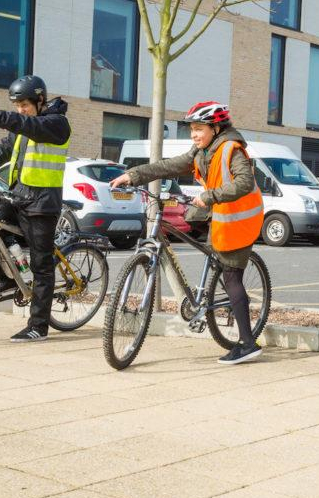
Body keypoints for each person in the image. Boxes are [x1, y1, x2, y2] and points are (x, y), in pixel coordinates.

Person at [109, 101, 265, 365]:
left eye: (199, 129)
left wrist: (210, 196)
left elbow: (244, 182)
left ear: (216, 128)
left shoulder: (232, 149)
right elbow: (169, 166)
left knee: (232, 277)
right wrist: (133, 175)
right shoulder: (201, 151)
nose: (194, 134)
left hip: (240, 218)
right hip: (219, 213)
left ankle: (248, 344)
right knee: (195, 231)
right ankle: (202, 293)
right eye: (192, 129)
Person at [0, 75, 71, 343]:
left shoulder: (56, 124)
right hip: (18, 195)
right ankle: (8, 278)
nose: (20, 110)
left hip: (42, 203)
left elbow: (25, 124)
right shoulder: (24, 126)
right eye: (16, 106)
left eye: (24, 105)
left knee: (41, 265)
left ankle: (38, 327)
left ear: (40, 101)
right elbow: (1, 151)